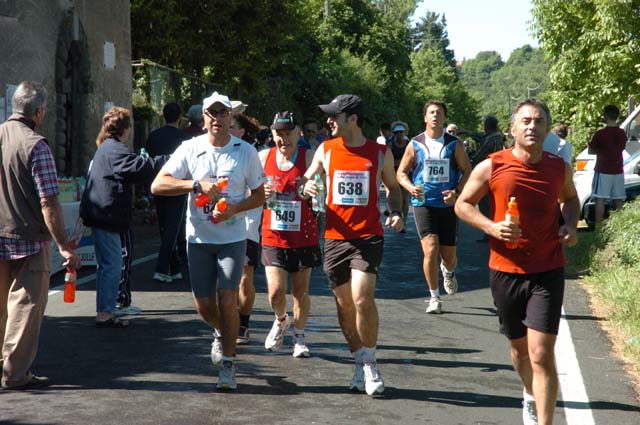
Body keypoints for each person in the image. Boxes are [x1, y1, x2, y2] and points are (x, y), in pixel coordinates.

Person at [455, 98, 579, 425]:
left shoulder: (558, 167)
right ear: (512, 129)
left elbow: (570, 199)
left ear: (547, 129)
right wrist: (491, 227)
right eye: (525, 121)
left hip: (548, 269)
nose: (532, 127)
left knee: (541, 354)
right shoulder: (492, 166)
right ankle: (529, 393)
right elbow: (463, 205)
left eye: (539, 122)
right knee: (520, 352)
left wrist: (569, 224)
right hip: (505, 271)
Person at [150, 91, 265, 391]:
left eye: (222, 113)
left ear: (231, 117)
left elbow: (261, 195)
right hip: (199, 238)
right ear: (203, 119)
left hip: (233, 237)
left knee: (228, 299)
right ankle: (221, 331)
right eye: (211, 114)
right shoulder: (190, 148)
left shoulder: (246, 151)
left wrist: (235, 208)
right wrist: (195, 184)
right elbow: (158, 185)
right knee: (204, 306)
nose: (217, 119)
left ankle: (228, 363)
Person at [301, 94, 404, 395]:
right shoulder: (326, 149)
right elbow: (304, 182)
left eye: (335, 116)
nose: (328, 121)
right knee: (344, 305)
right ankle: (358, 360)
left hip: (368, 236)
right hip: (334, 237)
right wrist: (306, 187)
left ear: (353, 119)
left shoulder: (378, 152)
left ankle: (371, 362)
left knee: (362, 299)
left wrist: (395, 212)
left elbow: (393, 188)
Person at [0, 81, 81, 390]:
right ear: (38, 111)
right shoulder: (36, 145)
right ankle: (16, 374)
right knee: (25, 308)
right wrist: (63, 245)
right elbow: (48, 201)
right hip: (29, 239)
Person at [80, 107, 155, 328]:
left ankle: (106, 308)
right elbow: (136, 168)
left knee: (106, 264)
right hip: (106, 215)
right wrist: (160, 161)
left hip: (100, 213)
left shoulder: (105, 147)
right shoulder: (114, 149)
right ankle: (105, 311)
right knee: (112, 264)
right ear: (125, 128)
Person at [396, 101, 472, 314]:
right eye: (431, 113)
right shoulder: (415, 143)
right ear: (425, 118)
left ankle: (448, 272)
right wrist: (411, 188)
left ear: (445, 118)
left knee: (448, 256)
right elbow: (401, 173)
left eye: (439, 113)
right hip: (423, 203)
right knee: (430, 248)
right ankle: (434, 297)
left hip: (447, 204)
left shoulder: (454, 144)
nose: (435, 116)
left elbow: (467, 171)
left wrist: (456, 192)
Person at [260, 111, 320, 358]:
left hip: (303, 235)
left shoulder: (310, 157)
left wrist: (313, 191)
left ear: (298, 133)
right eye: (278, 134)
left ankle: (299, 335)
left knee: (299, 292)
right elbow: (249, 191)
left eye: (288, 133)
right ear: (272, 135)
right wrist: (258, 193)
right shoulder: (263, 156)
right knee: (275, 291)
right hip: (272, 234)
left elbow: (322, 196)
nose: (283, 139)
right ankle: (281, 319)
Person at [146, 103, 191, 283]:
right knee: (172, 227)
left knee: (165, 226)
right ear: (179, 117)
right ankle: (162, 267)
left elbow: (147, 158)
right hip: (177, 185)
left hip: (158, 184)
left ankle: (173, 267)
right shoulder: (185, 139)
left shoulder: (154, 136)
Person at [229, 110, 263, 345]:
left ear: (241, 132)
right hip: (219, 227)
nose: (226, 129)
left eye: (232, 127)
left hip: (247, 225)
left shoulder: (251, 155)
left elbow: (260, 191)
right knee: (224, 279)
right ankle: (226, 321)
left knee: (244, 278)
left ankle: (243, 324)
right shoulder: (212, 152)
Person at [588, 104, 627, 228]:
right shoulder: (622, 133)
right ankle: (620, 227)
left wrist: (593, 146)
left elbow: (591, 151)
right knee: (619, 199)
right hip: (618, 170)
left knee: (600, 199)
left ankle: (598, 227)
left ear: (605, 116)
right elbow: (622, 148)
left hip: (603, 169)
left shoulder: (600, 134)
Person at [388, 121, 411, 223]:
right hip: (393, 173)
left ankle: (404, 221)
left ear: (405, 132)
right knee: (396, 197)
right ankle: (397, 217)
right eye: (397, 132)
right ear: (393, 133)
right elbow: (387, 159)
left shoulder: (409, 143)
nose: (399, 135)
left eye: (401, 132)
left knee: (405, 199)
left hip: (406, 173)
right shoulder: (390, 144)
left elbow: (413, 158)